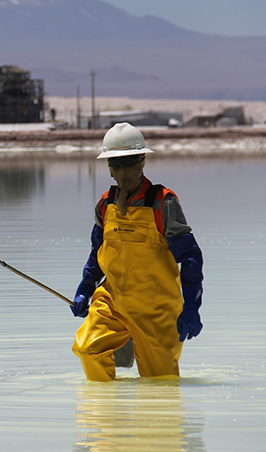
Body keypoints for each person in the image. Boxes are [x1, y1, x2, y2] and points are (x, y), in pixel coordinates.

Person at [71, 122, 204, 381]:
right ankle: (108, 418)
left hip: (156, 310)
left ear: (142, 161)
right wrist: (85, 288)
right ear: (109, 168)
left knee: (160, 386)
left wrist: (192, 307)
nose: (123, 170)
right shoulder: (105, 204)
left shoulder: (162, 203)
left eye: (130, 161)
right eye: (116, 163)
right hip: (112, 302)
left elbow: (190, 257)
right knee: (88, 349)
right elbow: (98, 250)